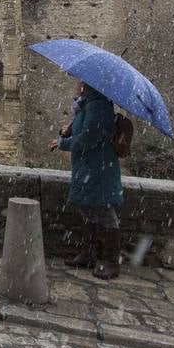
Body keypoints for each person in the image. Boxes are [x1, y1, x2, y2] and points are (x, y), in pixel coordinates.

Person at [50, 80, 123, 280]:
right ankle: (88, 254)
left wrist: (62, 143)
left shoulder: (98, 106)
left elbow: (88, 139)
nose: (77, 83)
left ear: (88, 84)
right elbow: (83, 132)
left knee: (106, 212)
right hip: (88, 167)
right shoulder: (86, 104)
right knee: (88, 209)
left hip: (99, 168)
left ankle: (111, 261)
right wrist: (68, 129)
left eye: (81, 81)